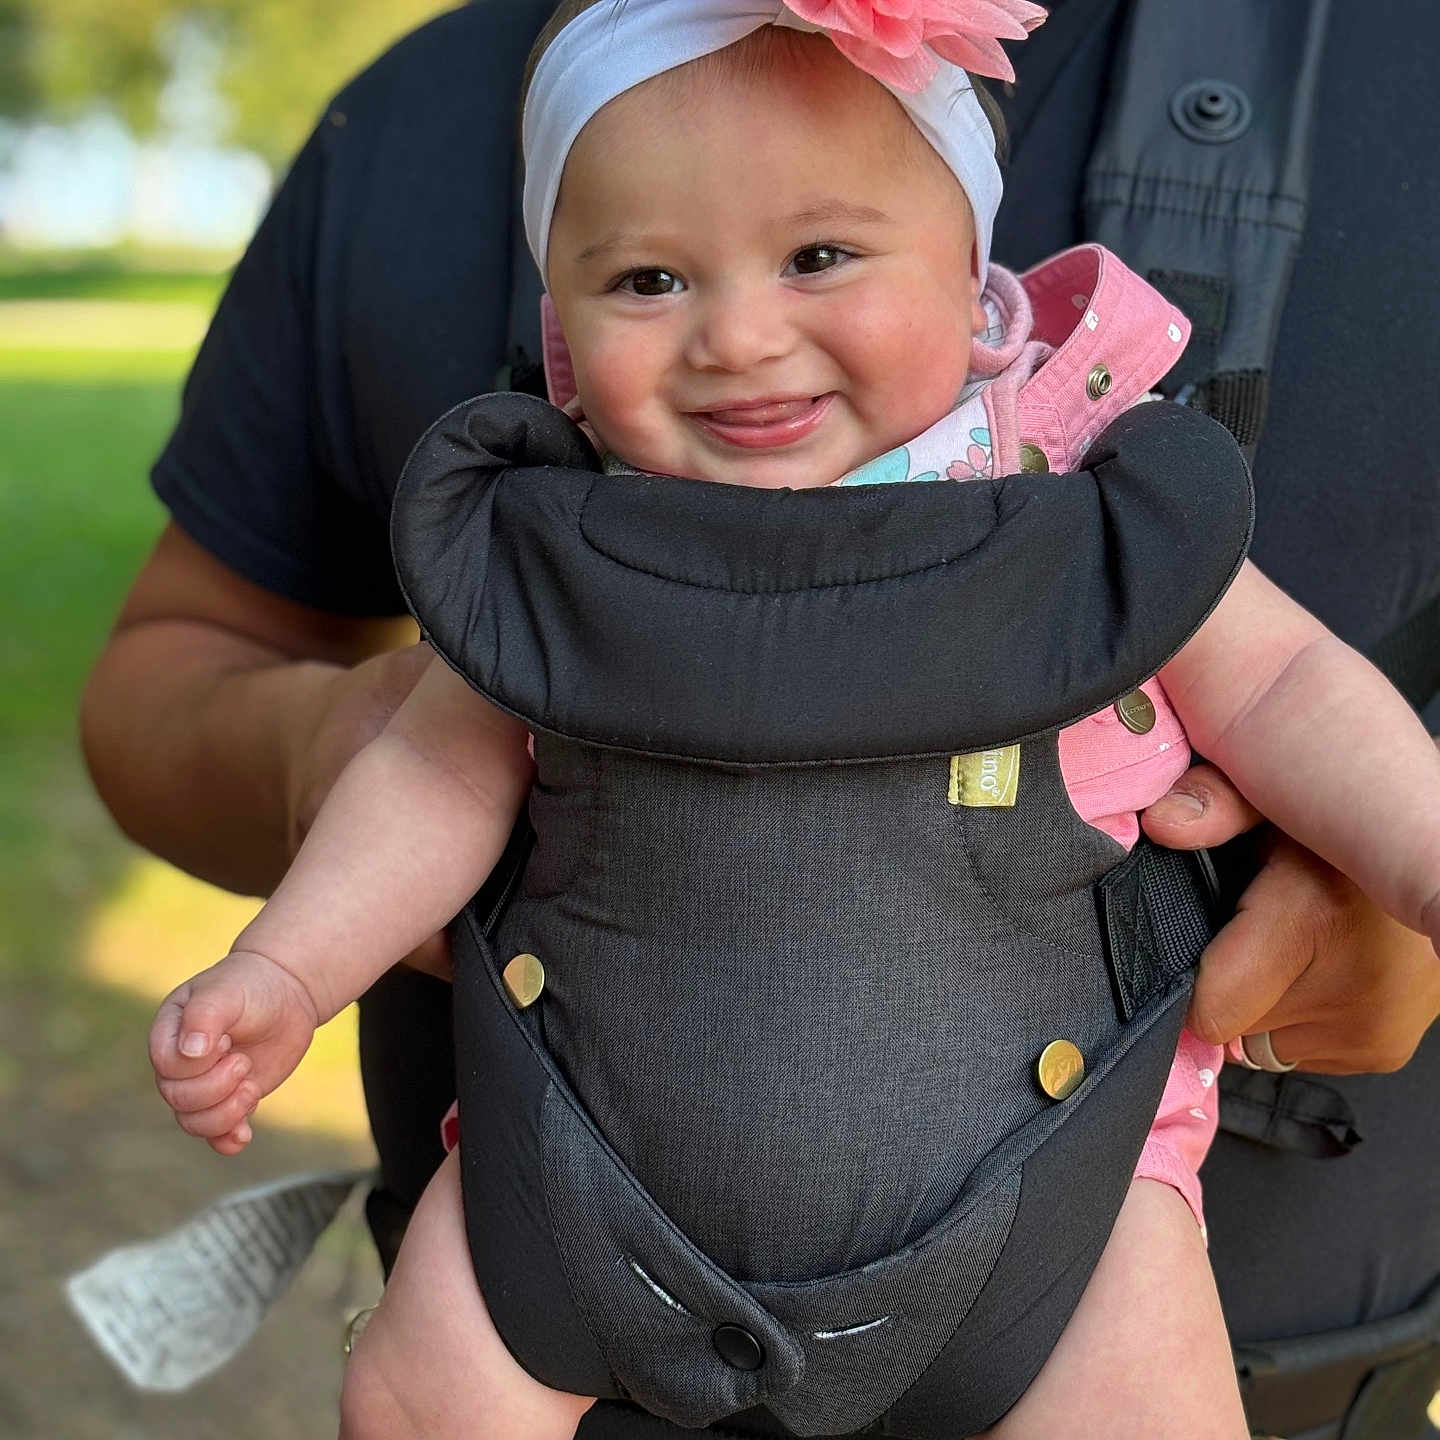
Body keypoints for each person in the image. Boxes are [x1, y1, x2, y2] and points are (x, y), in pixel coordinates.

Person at [83, 1, 1440, 1436]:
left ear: (980, 290)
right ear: (558, 336)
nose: (738, 334)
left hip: (1060, 1195)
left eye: (820, 258)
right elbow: (420, 767)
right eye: (650, 279)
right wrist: (290, 970)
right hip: (580, 1182)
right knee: (426, 1393)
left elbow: (1286, 683)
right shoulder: (566, 549)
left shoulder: (1082, 504)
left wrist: (1412, 860)